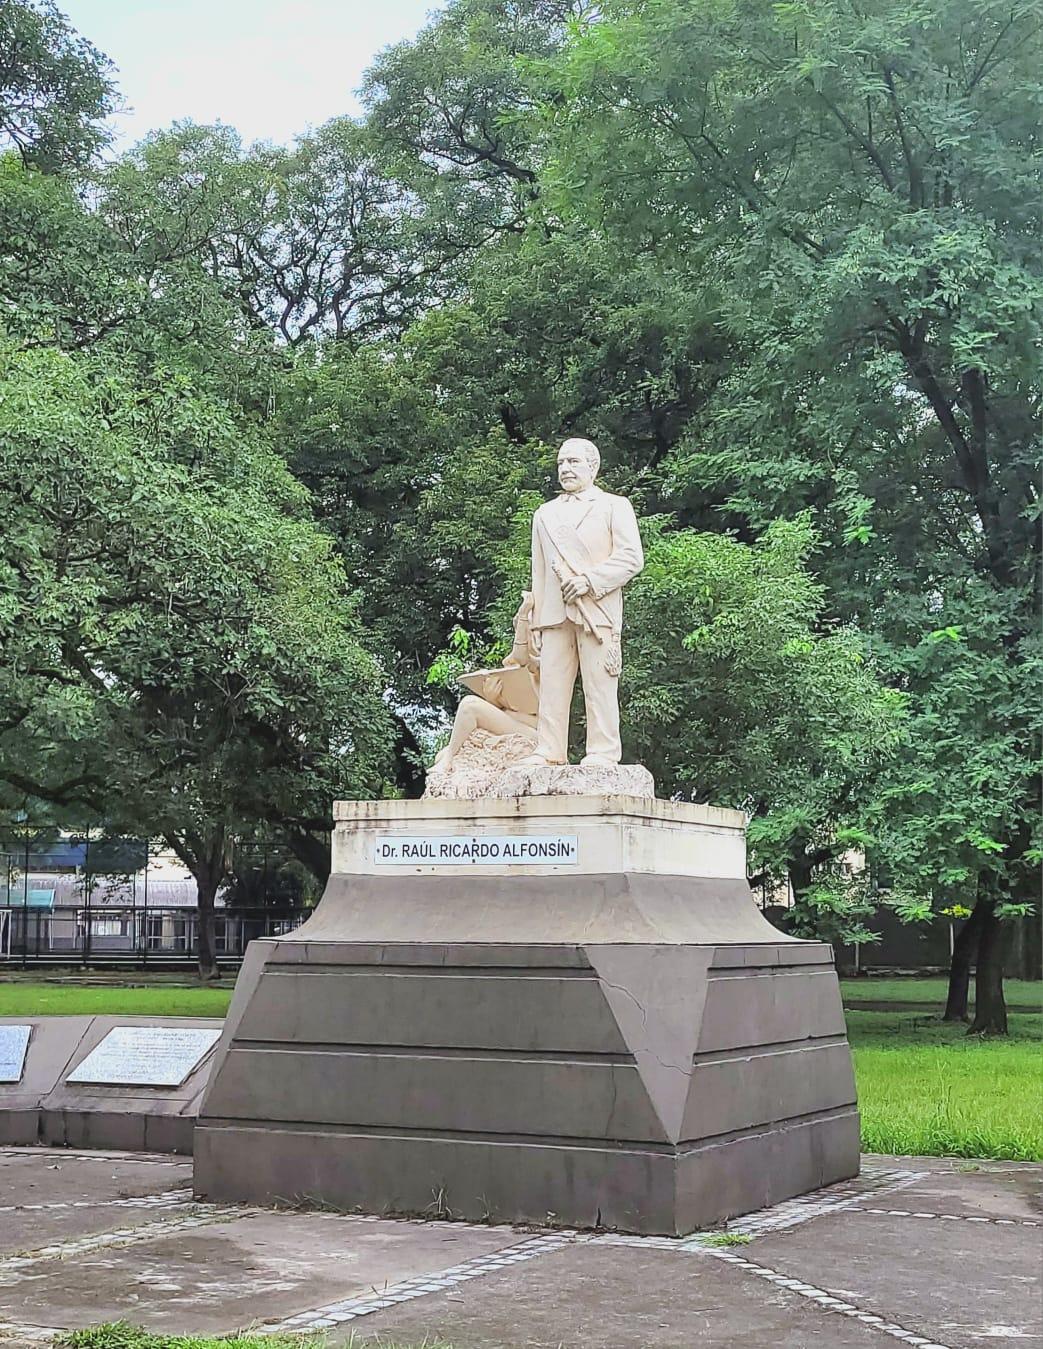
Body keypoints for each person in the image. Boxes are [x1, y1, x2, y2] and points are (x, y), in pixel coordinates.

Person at [519, 437, 643, 768]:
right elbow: (540, 572)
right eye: (561, 463)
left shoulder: (615, 506)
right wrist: (535, 622)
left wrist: (589, 580)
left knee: (599, 684)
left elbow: (631, 557)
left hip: (596, 609)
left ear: (593, 466)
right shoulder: (544, 514)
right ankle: (549, 749)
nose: (566, 469)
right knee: (552, 686)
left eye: (573, 462)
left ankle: (602, 752)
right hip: (554, 613)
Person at [434, 593, 539, 767]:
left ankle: (448, 760)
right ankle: (447, 758)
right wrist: (494, 700)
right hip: (513, 724)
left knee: (469, 705)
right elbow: (509, 708)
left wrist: (524, 614)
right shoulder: (512, 662)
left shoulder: (547, 665)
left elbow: (539, 719)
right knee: (440, 754)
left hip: (535, 733)